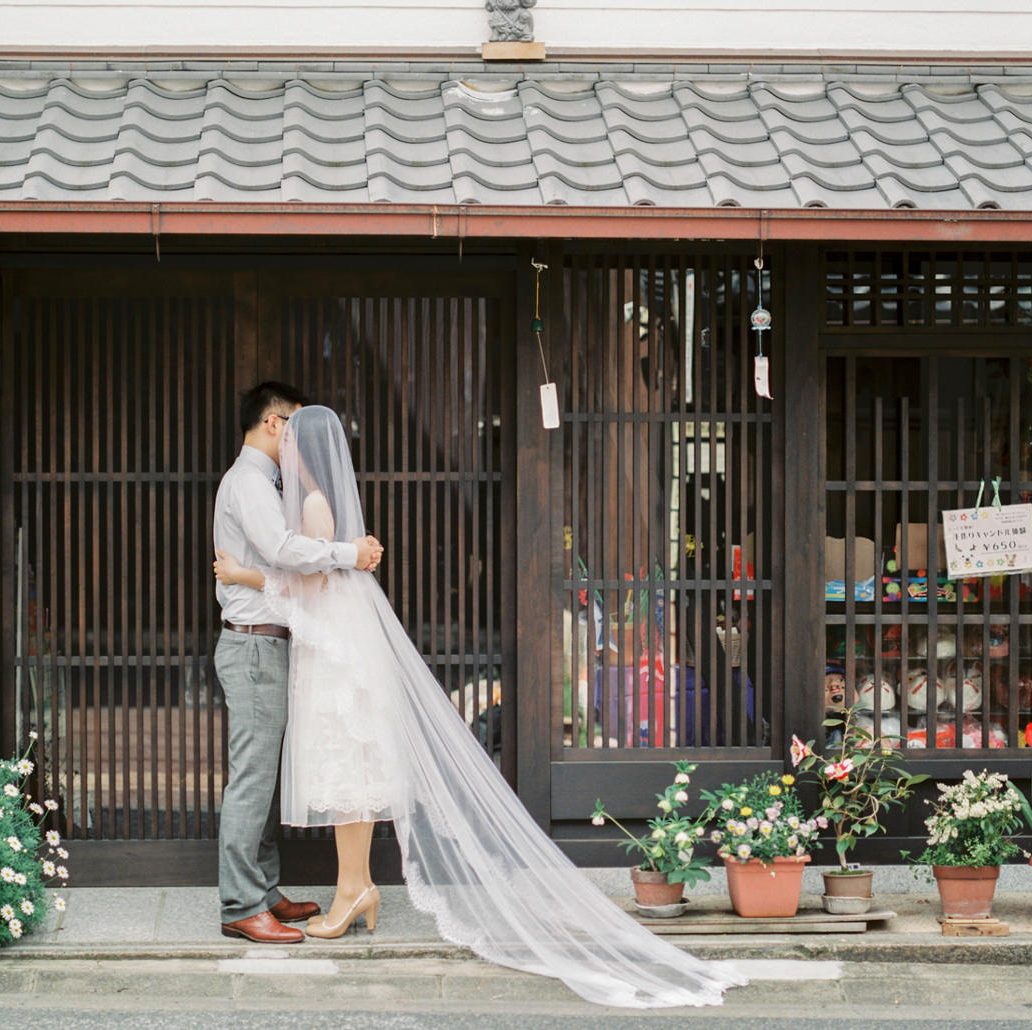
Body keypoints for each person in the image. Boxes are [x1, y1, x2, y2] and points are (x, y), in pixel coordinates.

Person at [215, 405, 745, 1008]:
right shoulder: (291, 495)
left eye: (291, 436)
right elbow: (318, 574)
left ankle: (347, 892)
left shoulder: (308, 505)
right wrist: (293, 567)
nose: (284, 444)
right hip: (330, 645)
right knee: (346, 771)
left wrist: (245, 576)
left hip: (330, 653)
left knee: (345, 771)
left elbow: (306, 583)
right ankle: (349, 889)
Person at [211, 383, 383, 945]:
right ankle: (240, 904)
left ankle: (261, 891)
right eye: (293, 425)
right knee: (252, 778)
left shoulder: (267, 482)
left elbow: (280, 568)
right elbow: (284, 549)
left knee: (262, 777)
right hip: (255, 643)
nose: (297, 438)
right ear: (272, 424)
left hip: (270, 640)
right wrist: (347, 554)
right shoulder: (249, 482)